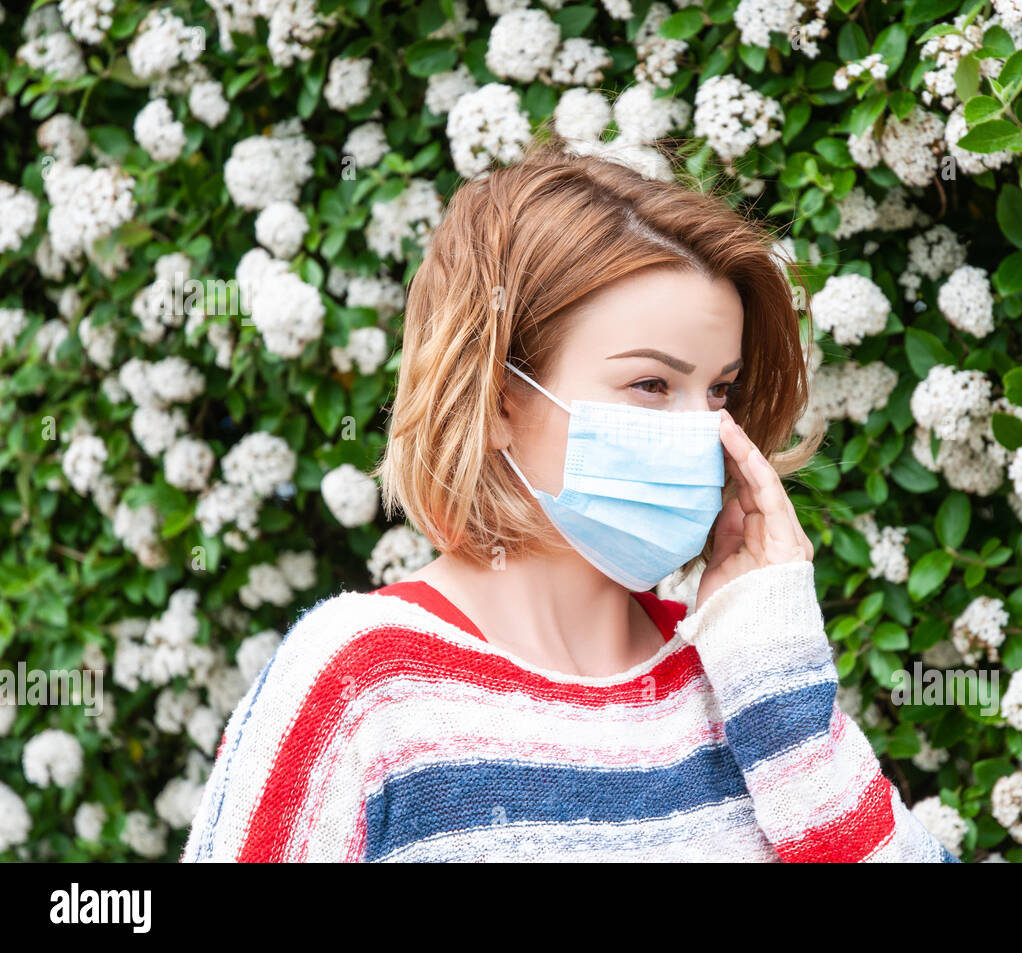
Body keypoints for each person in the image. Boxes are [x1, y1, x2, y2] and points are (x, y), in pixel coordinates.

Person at [181, 136, 960, 862]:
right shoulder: (360, 684)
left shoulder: (746, 677)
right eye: (651, 384)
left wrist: (777, 673)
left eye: (719, 388)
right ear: (495, 401)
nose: (705, 431)